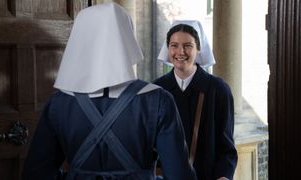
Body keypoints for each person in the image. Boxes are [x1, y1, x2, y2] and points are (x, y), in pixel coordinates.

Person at [22, 3, 197, 180]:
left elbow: (35, 175)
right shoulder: (158, 100)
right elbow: (180, 176)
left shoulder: (59, 103)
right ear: (127, 37)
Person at [154, 20, 238, 180]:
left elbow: (226, 146)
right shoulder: (157, 89)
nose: (180, 51)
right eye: (174, 45)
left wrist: (223, 176)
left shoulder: (218, 90)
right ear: (168, 48)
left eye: (187, 45)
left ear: (198, 49)